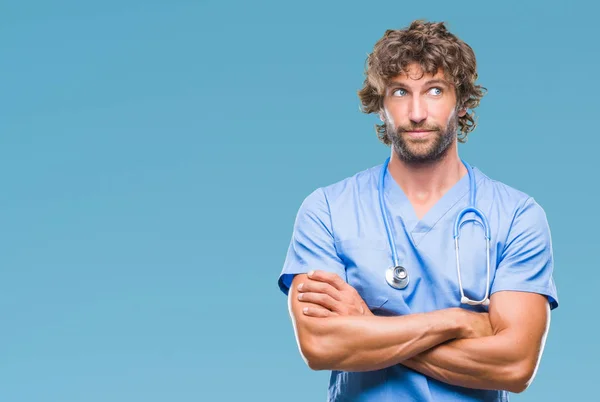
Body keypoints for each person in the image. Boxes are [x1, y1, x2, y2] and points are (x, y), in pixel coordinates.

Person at [277, 20, 558, 402]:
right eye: (399, 92)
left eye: (435, 90)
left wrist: (369, 328)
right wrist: (460, 322)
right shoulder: (327, 210)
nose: (416, 112)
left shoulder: (516, 216)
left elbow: (515, 365)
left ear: (461, 104)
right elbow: (321, 346)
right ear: (380, 107)